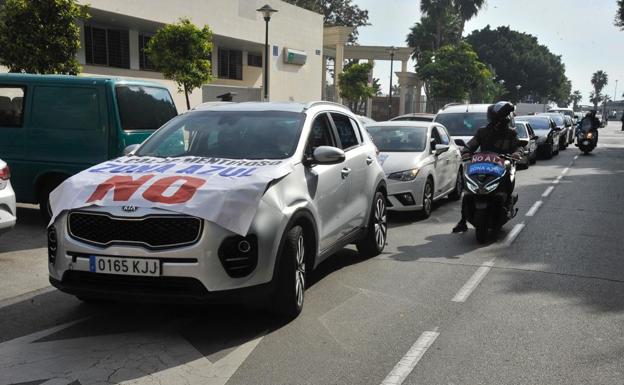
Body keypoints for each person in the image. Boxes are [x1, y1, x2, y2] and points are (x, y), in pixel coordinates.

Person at [452, 101, 522, 233]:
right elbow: (471, 144)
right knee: (468, 191)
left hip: (501, 167)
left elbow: (518, 146)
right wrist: (466, 151)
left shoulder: (511, 133)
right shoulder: (483, 131)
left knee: (508, 184)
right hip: (482, 166)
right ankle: (463, 221)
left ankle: (507, 204)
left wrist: (516, 153)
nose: (501, 122)